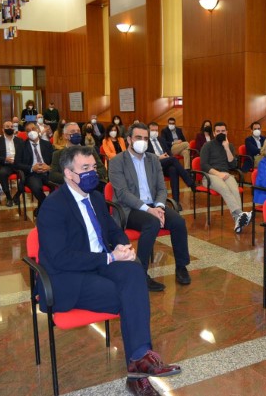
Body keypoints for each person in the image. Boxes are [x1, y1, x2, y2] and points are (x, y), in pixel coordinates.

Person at [37, 146, 181, 396]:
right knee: (128, 298)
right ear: (69, 174)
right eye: (85, 169)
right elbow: (60, 258)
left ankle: (140, 361)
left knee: (135, 274)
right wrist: (109, 257)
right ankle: (138, 372)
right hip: (70, 277)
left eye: (93, 167)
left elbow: (111, 229)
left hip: (101, 264)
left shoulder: (94, 197)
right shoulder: (53, 207)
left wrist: (124, 245)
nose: (92, 173)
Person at [109, 123, 192, 292]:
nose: (142, 141)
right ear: (129, 139)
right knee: (152, 223)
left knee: (178, 222)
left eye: (145, 138)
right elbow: (123, 193)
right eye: (138, 137)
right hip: (129, 209)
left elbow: (161, 188)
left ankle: (181, 267)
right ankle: (140, 274)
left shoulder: (153, 159)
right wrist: (150, 211)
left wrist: (159, 207)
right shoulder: (117, 161)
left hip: (154, 205)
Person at [200, 122, 252, 233]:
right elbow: (203, 165)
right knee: (224, 188)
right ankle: (239, 215)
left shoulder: (230, 146)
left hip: (225, 174)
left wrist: (227, 148)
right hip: (210, 176)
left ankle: (238, 222)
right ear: (214, 133)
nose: (220, 133)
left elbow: (233, 165)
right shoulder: (207, 145)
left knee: (234, 189)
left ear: (226, 132)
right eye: (218, 131)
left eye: (223, 131)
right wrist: (218, 174)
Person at [147, 122, 195, 208]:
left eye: (156, 130)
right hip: (154, 164)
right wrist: (159, 157)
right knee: (173, 160)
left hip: (166, 163)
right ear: (148, 131)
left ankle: (176, 202)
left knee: (173, 169)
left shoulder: (161, 139)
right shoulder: (145, 141)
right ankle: (189, 181)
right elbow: (146, 157)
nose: (155, 132)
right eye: (152, 130)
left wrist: (168, 156)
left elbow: (169, 152)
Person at [50, 122, 106, 193]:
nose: (77, 133)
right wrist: (73, 178)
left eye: (78, 131)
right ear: (65, 136)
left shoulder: (90, 150)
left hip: (92, 185)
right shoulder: (57, 154)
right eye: (73, 131)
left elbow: (102, 170)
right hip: (69, 188)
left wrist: (89, 175)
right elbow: (53, 175)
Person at [15, 123, 53, 216]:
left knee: (56, 184)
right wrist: (32, 168)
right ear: (26, 134)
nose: (31, 131)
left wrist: (49, 167)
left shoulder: (47, 144)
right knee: (36, 187)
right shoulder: (22, 146)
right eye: (28, 131)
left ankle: (41, 209)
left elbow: (54, 160)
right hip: (31, 174)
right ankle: (48, 207)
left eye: (33, 128)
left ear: (38, 130)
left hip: (46, 172)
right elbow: (16, 164)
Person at [0, 120, 24, 207]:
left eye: (11, 127)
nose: (10, 128)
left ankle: (17, 195)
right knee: (2, 173)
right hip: (6, 164)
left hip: (18, 164)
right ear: (3, 129)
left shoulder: (20, 140)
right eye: (7, 127)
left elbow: (24, 154)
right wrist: (5, 159)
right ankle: (9, 197)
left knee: (28, 174)